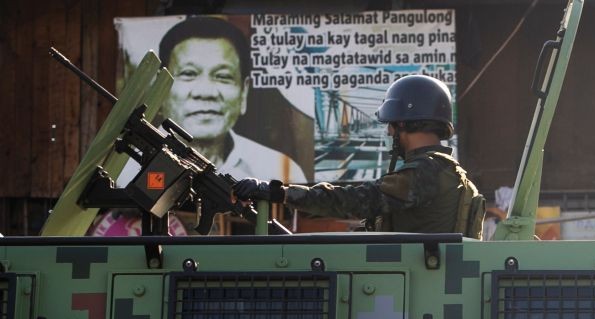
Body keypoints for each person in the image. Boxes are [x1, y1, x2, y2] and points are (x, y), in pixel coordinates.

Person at [233, 74, 485, 238]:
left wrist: (281, 193)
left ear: (406, 123)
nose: (388, 130)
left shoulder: (424, 173)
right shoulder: (448, 172)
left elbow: (356, 201)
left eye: (392, 124)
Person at [117, 16, 304, 186]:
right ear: (162, 87)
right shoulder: (126, 168)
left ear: (244, 91)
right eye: (188, 74)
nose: (206, 93)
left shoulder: (280, 170)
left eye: (223, 76)